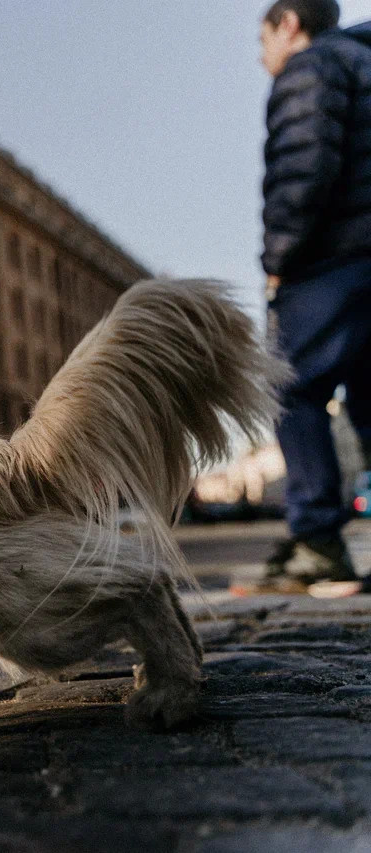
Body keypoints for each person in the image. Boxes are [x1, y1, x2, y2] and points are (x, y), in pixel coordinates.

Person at [257, 0, 371, 591]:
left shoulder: (309, 69)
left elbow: (304, 172)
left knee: (288, 385)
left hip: (333, 260)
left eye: (262, 40)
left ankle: (319, 544)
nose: (262, 57)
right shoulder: (364, 62)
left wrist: (278, 261)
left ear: (289, 25)